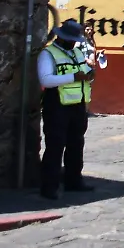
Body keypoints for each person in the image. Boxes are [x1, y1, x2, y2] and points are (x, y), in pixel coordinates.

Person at [38, 19, 95, 199]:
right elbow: (46, 80)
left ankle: (73, 181)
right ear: (61, 37)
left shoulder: (77, 52)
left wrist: (89, 74)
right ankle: (49, 187)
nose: (73, 42)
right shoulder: (48, 54)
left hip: (77, 105)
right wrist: (73, 77)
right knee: (55, 146)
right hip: (57, 106)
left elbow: (84, 74)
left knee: (76, 145)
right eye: (70, 39)